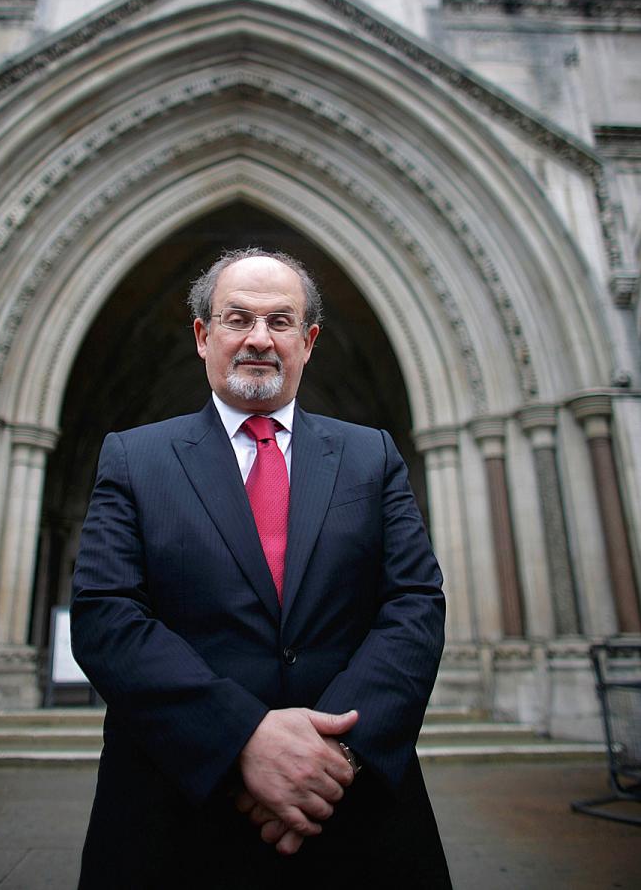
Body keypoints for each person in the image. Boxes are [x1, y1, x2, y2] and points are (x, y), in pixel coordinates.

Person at [71, 247, 451, 889]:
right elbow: (106, 618)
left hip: (351, 811)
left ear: (309, 340)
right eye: (237, 318)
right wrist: (241, 740)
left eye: (280, 322)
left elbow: (414, 604)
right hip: (177, 810)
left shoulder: (371, 455)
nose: (258, 339)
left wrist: (333, 757)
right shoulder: (135, 459)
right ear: (202, 336)